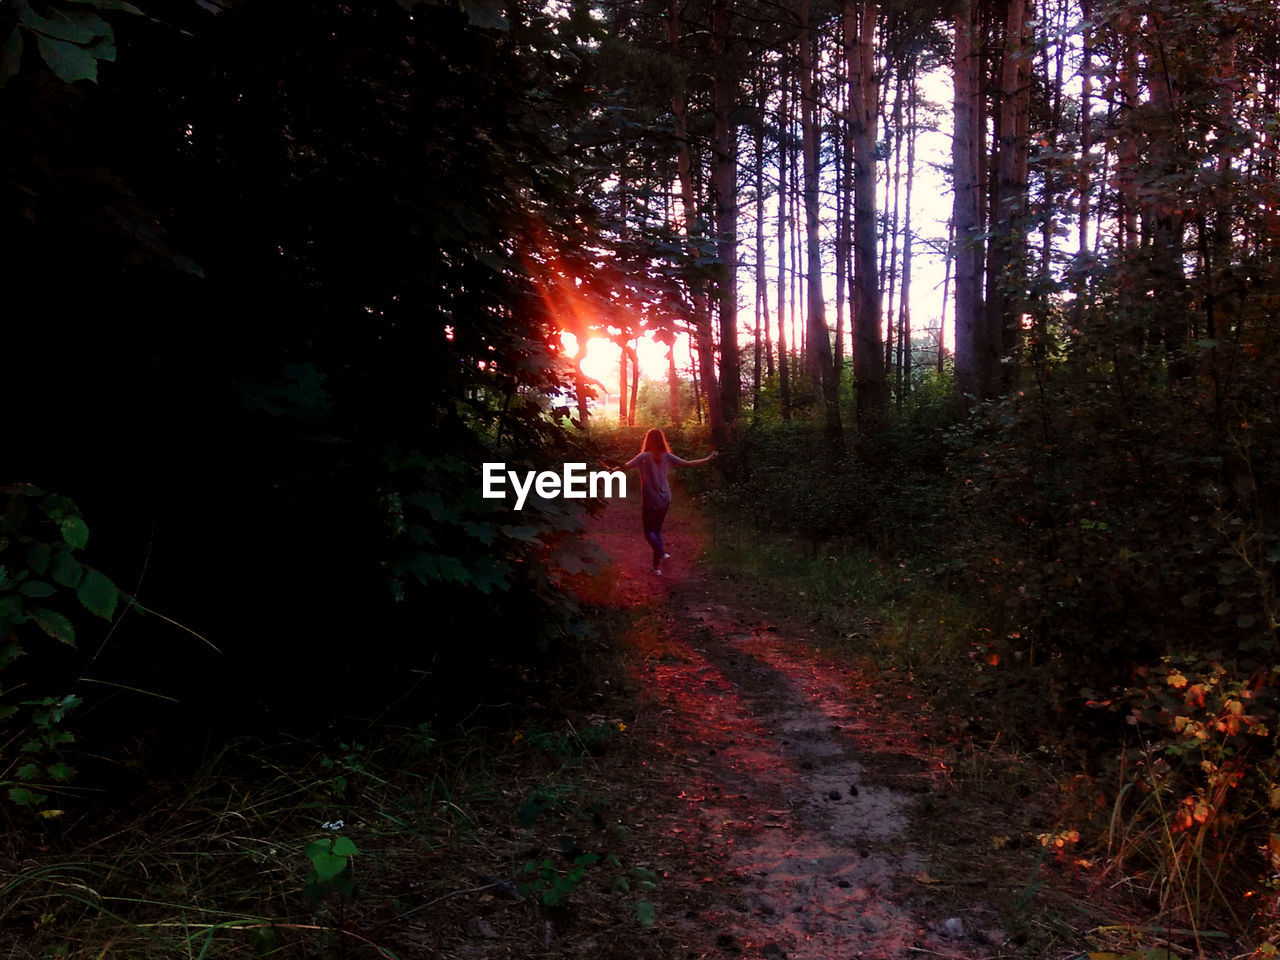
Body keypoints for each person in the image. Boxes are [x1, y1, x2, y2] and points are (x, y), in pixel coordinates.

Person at [621, 428, 718, 575]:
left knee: (649, 532)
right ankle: (656, 568)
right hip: (665, 497)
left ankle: (661, 553)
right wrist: (709, 458)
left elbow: (625, 466)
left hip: (650, 499)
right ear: (662, 440)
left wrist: (608, 470)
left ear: (648, 440)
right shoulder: (667, 456)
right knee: (657, 529)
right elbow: (689, 463)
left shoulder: (643, 456)